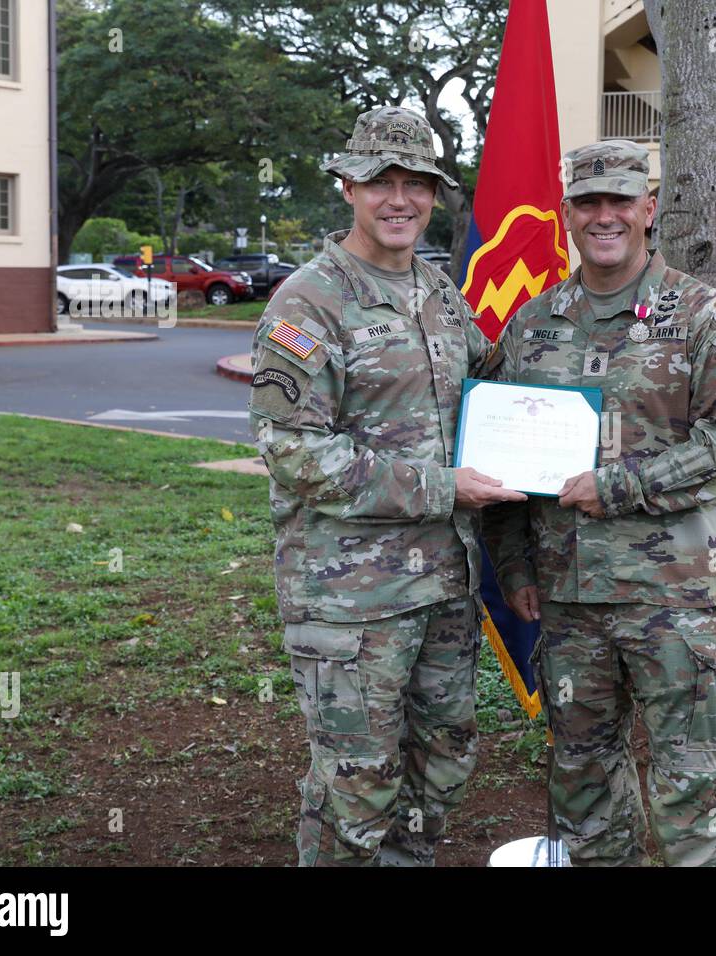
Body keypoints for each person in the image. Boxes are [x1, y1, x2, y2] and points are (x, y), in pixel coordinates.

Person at [247, 105, 525, 866]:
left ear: (435, 194)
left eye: (416, 183)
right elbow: (294, 450)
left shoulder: (438, 292)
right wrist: (442, 488)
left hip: (443, 590)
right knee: (356, 789)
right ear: (347, 186)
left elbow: (493, 385)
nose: (399, 199)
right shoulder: (309, 303)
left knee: (442, 768)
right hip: (351, 602)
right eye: (380, 182)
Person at [484, 139, 716, 866]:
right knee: (581, 778)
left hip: (670, 597)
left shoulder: (700, 314)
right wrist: (513, 568)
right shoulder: (533, 324)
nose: (604, 216)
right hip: (568, 599)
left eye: (619, 201)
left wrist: (618, 485)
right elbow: (500, 460)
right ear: (566, 213)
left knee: (690, 783)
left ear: (648, 209)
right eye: (588, 202)